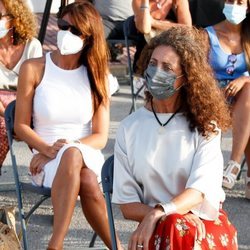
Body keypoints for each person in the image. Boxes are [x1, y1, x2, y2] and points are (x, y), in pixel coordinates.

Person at [112, 26, 237, 249]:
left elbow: (200, 190)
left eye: (167, 67)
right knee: (175, 226)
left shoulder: (206, 127)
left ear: (186, 78)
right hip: (159, 228)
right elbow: (127, 204)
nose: (157, 72)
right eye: (153, 64)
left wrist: (163, 212)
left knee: (180, 230)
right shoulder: (130, 127)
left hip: (203, 225)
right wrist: (163, 216)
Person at [14, 2, 120, 249]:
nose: (66, 33)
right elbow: (20, 125)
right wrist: (48, 149)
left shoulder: (98, 75)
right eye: (63, 26)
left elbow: (100, 137)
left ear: (89, 37)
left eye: (75, 31)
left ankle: (56, 244)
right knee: (89, 181)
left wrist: (65, 147)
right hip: (46, 160)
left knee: (74, 155)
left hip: (87, 154)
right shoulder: (34, 68)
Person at [205, 0, 250, 198]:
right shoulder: (209, 34)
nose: (234, 5)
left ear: (247, 6)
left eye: (239, 2)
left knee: (249, 90)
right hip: (213, 96)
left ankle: (234, 164)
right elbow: (199, 72)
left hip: (243, 101)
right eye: (231, 0)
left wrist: (244, 78)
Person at [0, 0, 42, 174]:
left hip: (26, 103)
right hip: (2, 109)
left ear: (15, 18)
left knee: (48, 125)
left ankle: (55, 170)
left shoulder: (32, 46)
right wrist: (10, 117)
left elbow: (39, 89)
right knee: (1, 126)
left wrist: (21, 120)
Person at [132, 0, 192, 72]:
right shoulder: (139, 1)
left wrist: (154, 22)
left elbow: (187, 29)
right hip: (147, 50)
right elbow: (145, 29)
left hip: (174, 50)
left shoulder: (179, 1)